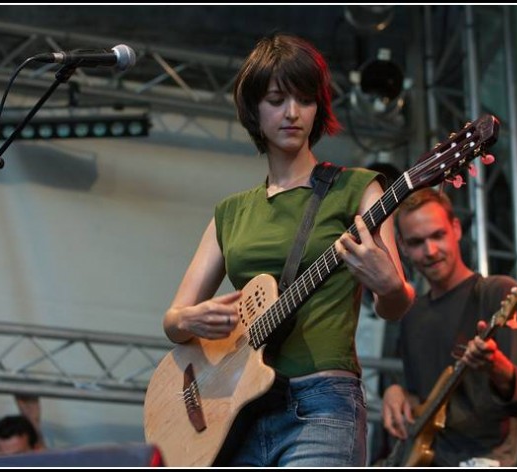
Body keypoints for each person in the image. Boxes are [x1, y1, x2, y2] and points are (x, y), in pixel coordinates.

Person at [162, 32, 415, 467]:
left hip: (321, 404)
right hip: (236, 409)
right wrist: (190, 318)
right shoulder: (231, 212)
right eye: (277, 99)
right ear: (253, 109)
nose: (292, 113)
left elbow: (395, 305)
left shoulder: (359, 188)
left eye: (305, 99)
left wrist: (391, 287)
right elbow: (172, 322)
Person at [381, 187, 517, 467]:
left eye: (438, 235)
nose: (430, 251)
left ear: (456, 229)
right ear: (403, 247)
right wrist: (394, 393)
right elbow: (419, 395)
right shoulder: (412, 314)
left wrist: (496, 365)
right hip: (423, 457)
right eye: (417, 241)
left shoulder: (496, 293)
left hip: (483, 457)